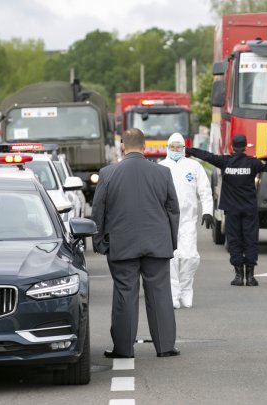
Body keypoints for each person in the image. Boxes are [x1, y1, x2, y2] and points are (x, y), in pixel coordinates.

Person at [92, 128, 181, 359]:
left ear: (122, 146)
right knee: (160, 294)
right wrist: (170, 241)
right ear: (145, 146)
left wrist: (99, 241)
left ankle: (123, 348)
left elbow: (98, 211)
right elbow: (173, 209)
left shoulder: (108, 173)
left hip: (122, 245)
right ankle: (165, 347)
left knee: (124, 295)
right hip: (157, 244)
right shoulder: (162, 173)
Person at [186, 134, 267, 286]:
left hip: (231, 210)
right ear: (246, 147)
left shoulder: (225, 162)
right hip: (249, 210)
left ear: (232, 147)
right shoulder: (253, 163)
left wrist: (187, 149)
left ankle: (239, 276)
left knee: (234, 241)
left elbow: (206, 155)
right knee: (250, 241)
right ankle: (251, 277)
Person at [159, 132, 214, 309]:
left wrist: (208, 211)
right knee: (172, 258)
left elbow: (205, 190)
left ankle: (186, 289)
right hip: (167, 220)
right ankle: (174, 294)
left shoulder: (194, 166)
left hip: (188, 220)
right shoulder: (161, 167)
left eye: (179, 147)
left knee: (190, 257)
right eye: (172, 147)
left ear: (184, 148)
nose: (175, 150)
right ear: (167, 148)